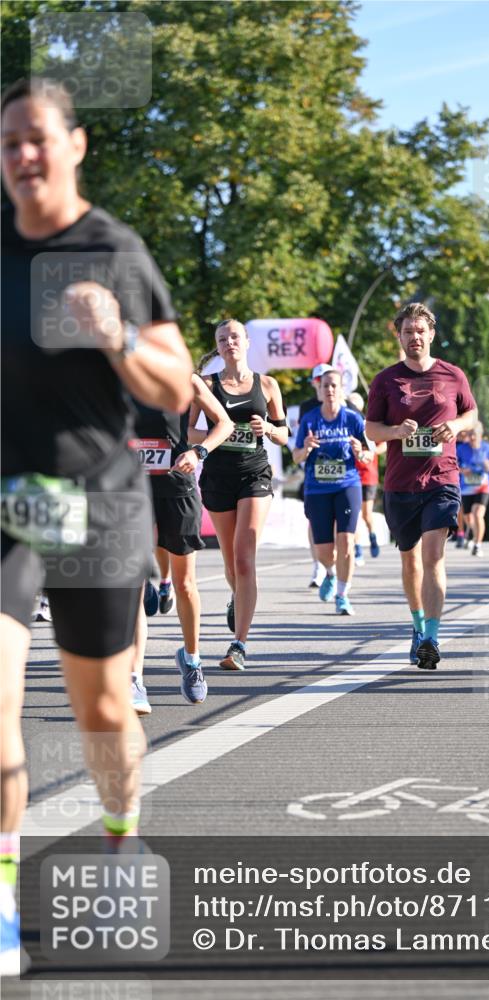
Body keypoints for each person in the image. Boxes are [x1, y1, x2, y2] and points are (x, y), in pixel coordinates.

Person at [0, 77, 193, 975]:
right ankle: (2, 895)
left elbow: (176, 385)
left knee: (105, 710)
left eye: (37, 138)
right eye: (8, 143)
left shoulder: (113, 249)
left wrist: (119, 337)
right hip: (8, 502)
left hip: (99, 500)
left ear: (74, 146)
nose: (23, 156)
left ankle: (123, 843)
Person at [366, 302, 477, 669]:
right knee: (411, 560)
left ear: (431, 334)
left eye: (420, 331)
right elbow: (371, 429)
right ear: (399, 337)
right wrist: (396, 431)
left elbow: (471, 413)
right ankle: (417, 626)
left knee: (433, 555)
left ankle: (431, 636)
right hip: (401, 483)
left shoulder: (452, 374)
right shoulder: (386, 380)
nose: (414, 337)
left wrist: (456, 426)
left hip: (442, 478)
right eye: (407, 332)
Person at [130, 378, 233, 712]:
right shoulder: (117, 372)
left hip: (177, 488)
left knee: (185, 583)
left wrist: (199, 451)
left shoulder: (183, 378)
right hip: (131, 490)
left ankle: (191, 659)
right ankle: (134, 678)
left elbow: (225, 423)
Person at [195, 319, 288, 671]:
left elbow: (284, 435)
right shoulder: (206, 385)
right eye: (222, 338)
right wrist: (219, 434)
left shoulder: (268, 385)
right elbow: (188, 431)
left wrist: (269, 429)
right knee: (231, 562)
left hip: (255, 474)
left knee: (245, 557)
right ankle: (238, 596)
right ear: (217, 346)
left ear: (247, 341)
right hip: (218, 477)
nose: (229, 342)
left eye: (234, 336)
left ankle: (239, 645)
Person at [293, 370, 371, 616]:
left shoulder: (353, 419)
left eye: (334, 385)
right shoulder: (310, 419)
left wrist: (360, 452)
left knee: (346, 541)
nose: (330, 390)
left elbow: (369, 454)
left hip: (347, 485)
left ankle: (343, 595)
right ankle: (329, 572)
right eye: (325, 385)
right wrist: (306, 449)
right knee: (325, 551)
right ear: (319, 389)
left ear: (342, 389)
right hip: (317, 489)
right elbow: (296, 457)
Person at [298, 363, 334, 587]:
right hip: (315, 473)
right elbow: (301, 440)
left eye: (330, 382)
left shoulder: (347, 406)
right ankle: (319, 565)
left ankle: (334, 566)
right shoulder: (307, 408)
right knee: (315, 521)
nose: (327, 387)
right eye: (321, 381)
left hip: (343, 477)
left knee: (338, 526)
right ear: (315, 383)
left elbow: (364, 438)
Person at [347, 391, 385, 565]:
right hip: (351, 474)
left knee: (366, 514)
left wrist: (371, 452)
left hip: (368, 475)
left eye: (353, 405)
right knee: (353, 515)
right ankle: (358, 549)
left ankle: (372, 535)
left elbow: (383, 444)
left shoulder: (368, 425)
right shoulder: (344, 424)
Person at [456, 423, 489, 557]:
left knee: (478, 513)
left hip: (484, 486)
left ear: (480, 434)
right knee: (468, 517)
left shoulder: (487, 447)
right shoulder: (461, 448)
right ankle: (471, 531)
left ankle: (477, 545)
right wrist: (462, 470)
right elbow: (453, 464)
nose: (472, 437)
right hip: (466, 487)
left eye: (474, 434)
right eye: (470, 435)